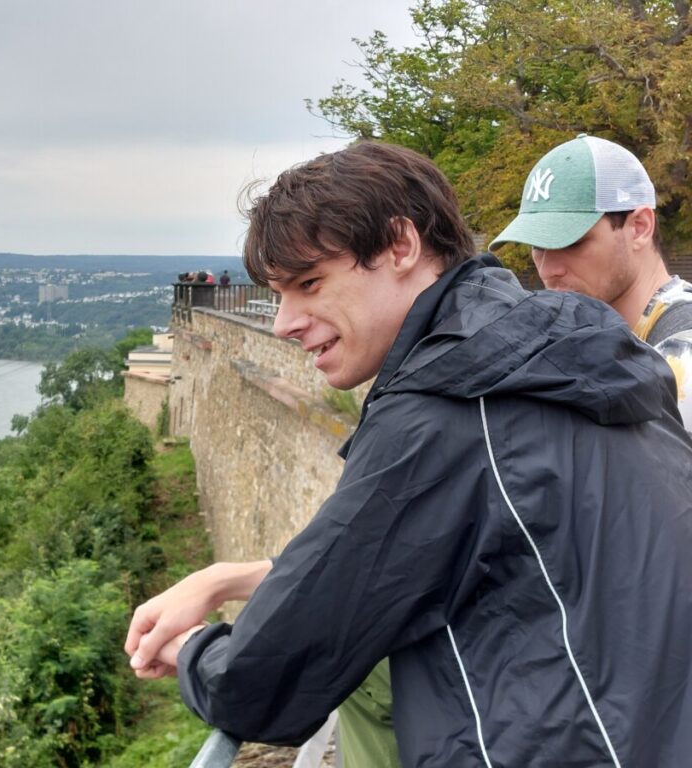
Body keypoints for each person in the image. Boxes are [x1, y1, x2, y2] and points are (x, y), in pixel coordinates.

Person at [126, 141, 692, 766]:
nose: (285, 322)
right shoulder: (564, 355)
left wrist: (197, 651)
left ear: (401, 246)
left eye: (310, 283)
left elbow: (263, 683)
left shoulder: (449, 405)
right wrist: (224, 578)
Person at [490, 134, 692, 428]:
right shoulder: (596, 343)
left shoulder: (681, 356)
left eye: (571, 243)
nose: (547, 270)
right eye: (537, 246)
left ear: (639, 227)